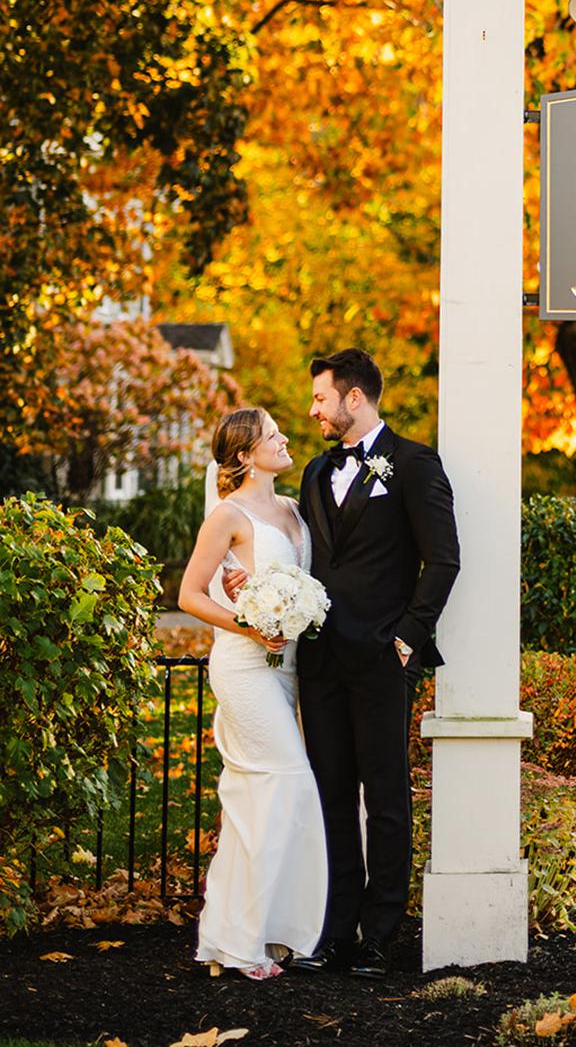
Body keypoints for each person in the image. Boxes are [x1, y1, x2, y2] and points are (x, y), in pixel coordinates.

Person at [230, 347, 460, 978]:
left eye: (321, 399)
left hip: (384, 658)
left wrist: (409, 637)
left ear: (354, 398)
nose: (313, 411)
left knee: (386, 797)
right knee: (332, 794)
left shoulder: (415, 465)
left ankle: (382, 934)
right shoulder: (313, 470)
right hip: (321, 660)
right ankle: (335, 930)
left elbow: (443, 560)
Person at [178, 408, 328, 979]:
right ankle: (243, 944)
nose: (284, 438)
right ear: (244, 456)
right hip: (244, 666)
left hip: (288, 669)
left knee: (255, 799)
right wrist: (249, 623)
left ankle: (246, 935)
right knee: (286, 782)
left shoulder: (293, 509)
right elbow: (190, 594)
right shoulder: (228, 515)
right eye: (272, 435)